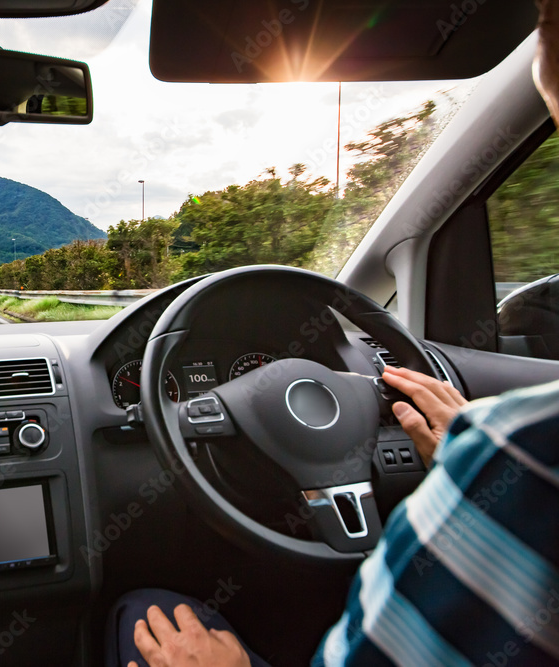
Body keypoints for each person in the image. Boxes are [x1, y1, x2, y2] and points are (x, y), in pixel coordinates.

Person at [111, 4, 559, 664]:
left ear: (545, 66)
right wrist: (474, 460)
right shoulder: (512, 454)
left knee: (140, 608)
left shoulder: (518, 456)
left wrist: (488, 464)